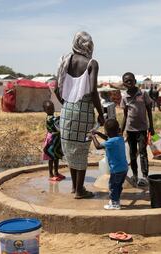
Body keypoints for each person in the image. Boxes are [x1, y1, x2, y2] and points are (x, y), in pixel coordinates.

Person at [55, 31, 105, 199]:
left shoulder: (65, 61)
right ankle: (79, 190)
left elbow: (57, 87)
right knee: (81, 150)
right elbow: (92, 91)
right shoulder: (92, 63)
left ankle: (74, 187)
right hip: (83, 113)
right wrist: (101, 113)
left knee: (70, 149)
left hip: (66, 111)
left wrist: (66, 104)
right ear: (88, 45)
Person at [121, 72, 154, 186]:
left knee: (143, 152)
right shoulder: (124, 97)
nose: (129, 82)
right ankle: (135, 175)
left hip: (142, 129)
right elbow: (125, 115)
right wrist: (121, 131)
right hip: (130, 130)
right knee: (132, 153)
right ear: (124, 83)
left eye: (131, 80)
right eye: (127, 81)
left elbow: (149, 110)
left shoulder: (143, 94)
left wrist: (151, 127)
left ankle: (145, 176)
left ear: (135, 81)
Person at [91, 119, 128, 210]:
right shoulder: (119, 138)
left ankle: (114, 204)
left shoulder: (111, 142)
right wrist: (98, 133)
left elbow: (98, 146)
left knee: (113, 186)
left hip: (116, 170)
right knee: (118, 185)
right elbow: (107, 137)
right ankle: (116, 200)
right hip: (124, 168)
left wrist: (93, 137)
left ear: (107, 132)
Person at [42, 100, 66, 181]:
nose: (51, 110)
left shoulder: (53, 117)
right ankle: (51, 174)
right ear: (45, 111)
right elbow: (55, 122)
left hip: (56, 139)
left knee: (56, 156)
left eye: (52, 108)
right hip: (51, 139)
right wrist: (60, 118)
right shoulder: (50, 118)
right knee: (51, 157)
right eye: (49, 109)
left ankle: (56, 172)